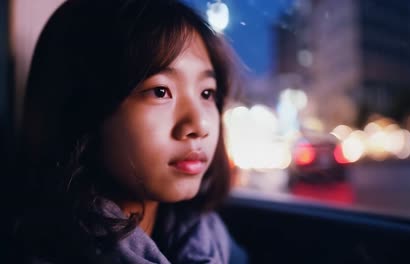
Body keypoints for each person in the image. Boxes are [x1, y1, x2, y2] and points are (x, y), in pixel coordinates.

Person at [12, 0, 248, 263]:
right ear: (81, 108)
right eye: (160, 91)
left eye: (207, 93)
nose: (199, 125)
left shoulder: (211, 240)